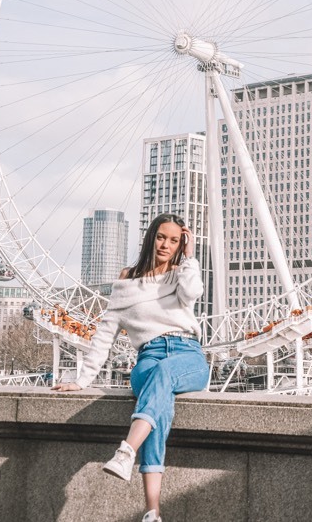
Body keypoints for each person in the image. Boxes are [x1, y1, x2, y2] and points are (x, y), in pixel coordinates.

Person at [52, 213, 209, 522]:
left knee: (162, 379)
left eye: (175, 240)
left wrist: (191, 258)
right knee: (157, 413)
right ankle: (152, 512)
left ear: (181, 244)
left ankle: (126, 451)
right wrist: (82, 380)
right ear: (151, 236)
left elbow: (193, 294)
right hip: (149, 355)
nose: (166, 244)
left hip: (186, 353)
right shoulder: (127, 279)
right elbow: (105, 333)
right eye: (162, 237)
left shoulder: (181, 273)